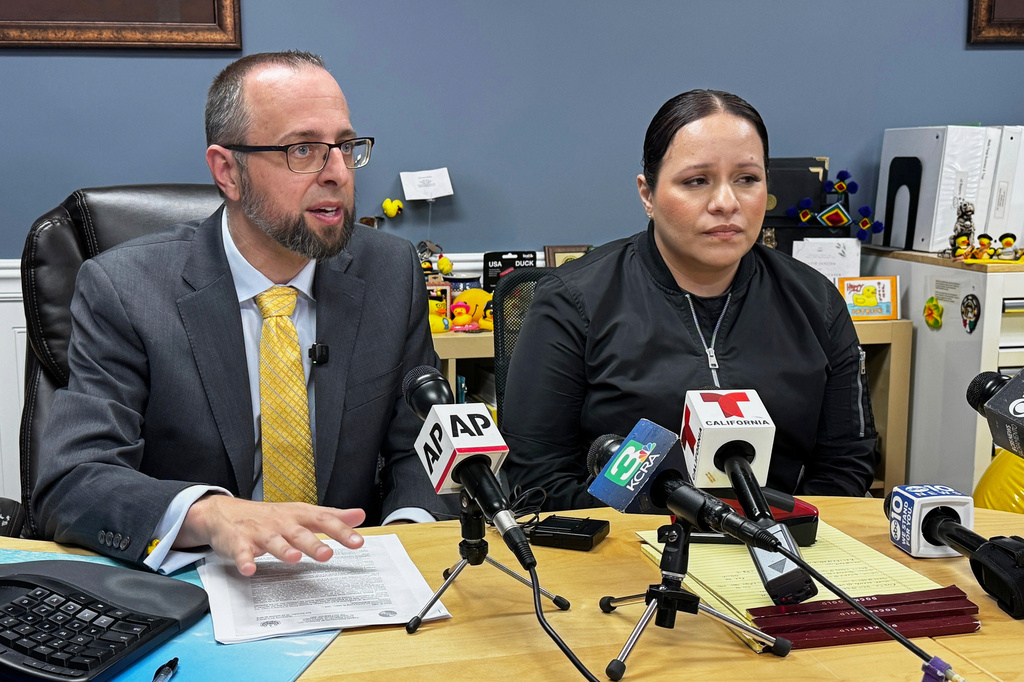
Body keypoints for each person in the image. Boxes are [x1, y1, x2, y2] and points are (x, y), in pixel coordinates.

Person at [32, 51, 455, 575]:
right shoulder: (126, 289)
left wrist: (408, 541)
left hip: (352, 580)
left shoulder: (391, 271)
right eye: (304, 150)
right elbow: (73, 481)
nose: (339, 174)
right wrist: (210, 514)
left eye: (346, 147)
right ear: (227, 171)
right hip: (195, 591)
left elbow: (423, 444)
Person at [501, 90, 878, 510]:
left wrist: (787, 534)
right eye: (696, 181)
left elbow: (846, 464)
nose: (725, 203)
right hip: (628, 552)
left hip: (779, 546)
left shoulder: (816, 301)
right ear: (647, 194)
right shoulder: (573, 301)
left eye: (747, 179)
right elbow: (538, 480)